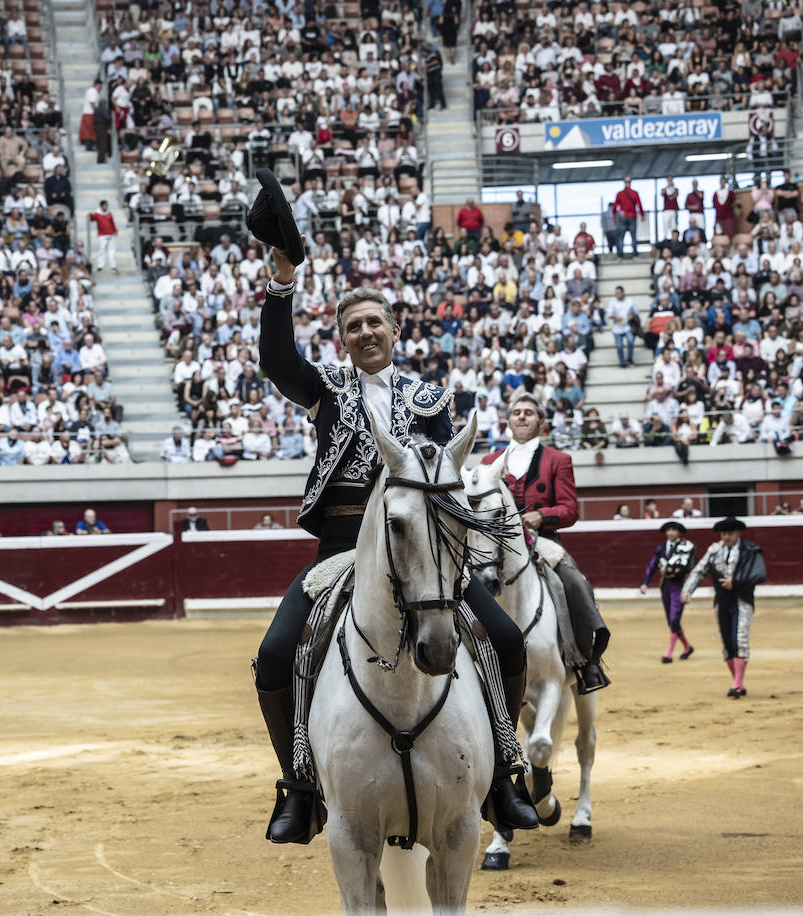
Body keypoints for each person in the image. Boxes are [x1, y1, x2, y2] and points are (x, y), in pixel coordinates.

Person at [255, 241, 537, 846]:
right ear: (341, 339)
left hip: (424, 554)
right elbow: (278, 360)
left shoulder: (429, 399)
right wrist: (282, 285)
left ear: (395, 329)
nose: (364, 333)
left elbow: (444, 480)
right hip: (342, 550)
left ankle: (502, 775)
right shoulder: (326, 387)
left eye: (373, 322)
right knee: (278, 654)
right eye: (352, 326)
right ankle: (300, 786)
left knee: (507, 640)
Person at [480, 392, 611, 694]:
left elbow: (569, 509)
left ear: (541, 422)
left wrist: (542, 515)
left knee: (575, 582)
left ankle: (585, 660)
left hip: (544, 542)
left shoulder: (559, 460)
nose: (522, 416)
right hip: (497, 546)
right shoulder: (489, 462)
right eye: (517, 412)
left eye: (529, 412)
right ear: (509, 421)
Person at [682, 517, 767, 698]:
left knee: (740, 640)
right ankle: (738, 681)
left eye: (730, 534)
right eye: (723, 534)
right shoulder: (715, 550)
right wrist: (687, 590)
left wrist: (735, 582)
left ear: (738, 533)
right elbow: (699, 571)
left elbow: (759, 574)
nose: (726, 537)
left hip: (742, 601)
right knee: (728, 643)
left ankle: (736, 683)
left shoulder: (749, 550)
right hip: (722, 601)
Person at [640, 520, 697, 663]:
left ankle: (669, 653)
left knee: (674, 618)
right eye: (668, 530)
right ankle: (687, 647)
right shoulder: (661, 548)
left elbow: (689, 566)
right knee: (671, 621)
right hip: (665, 586)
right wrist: (645, 583)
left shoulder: (685, 547)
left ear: (678, 533)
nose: (670, 533)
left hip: (679, 586)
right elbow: (652, 566)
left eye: (673, 530)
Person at [89, 200, 118, 272]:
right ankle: (100, 266)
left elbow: (112, 223)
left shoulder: (109, 214)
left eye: (107, 205)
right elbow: (92, 219)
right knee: (102, 250)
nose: (106, 207)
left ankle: (113, 266)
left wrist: (115, 230)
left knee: (111, 251)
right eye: (105, 205)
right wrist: (90, 215)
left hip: (110, 234)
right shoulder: (97, 214)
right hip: (102, 235)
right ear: (101, 206)